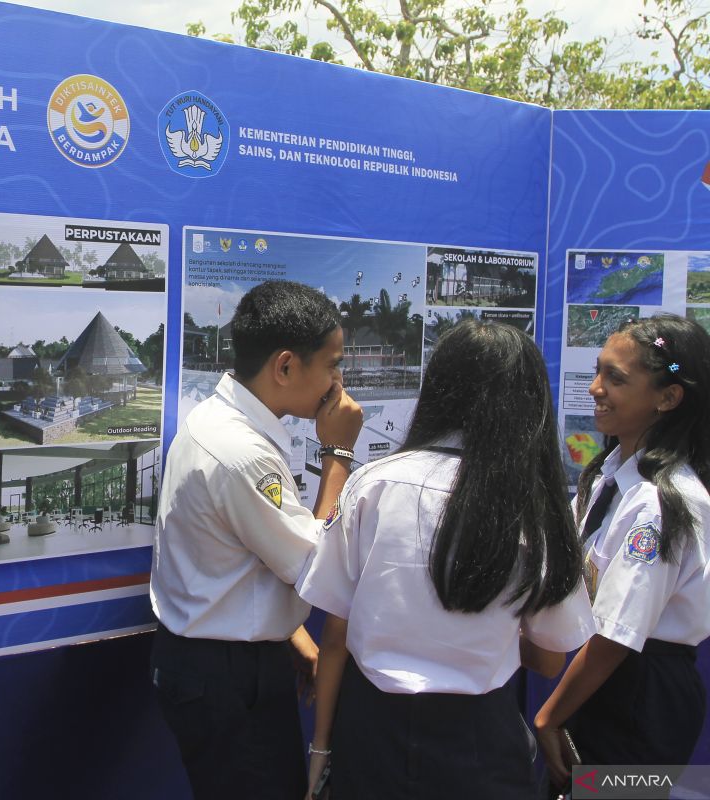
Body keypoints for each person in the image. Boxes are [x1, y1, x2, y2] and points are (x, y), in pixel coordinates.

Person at [301, 319, 595, 799]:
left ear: (438, 388)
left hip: (373, 731)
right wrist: (484, 633)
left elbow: (336, 635)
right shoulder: (532, 506)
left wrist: (320, 748)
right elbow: (549, 657)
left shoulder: (372, 484)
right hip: (480, 737)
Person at [149, 280, 364, 800]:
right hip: (226, 674)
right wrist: (338, 452)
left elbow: (237, 559)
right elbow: (315, 567)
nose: (339, 382)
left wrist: (291, 635)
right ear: (285, 366)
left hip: (219, 660)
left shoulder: (218, 420)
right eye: (332, 366)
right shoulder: (241, 452)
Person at [535, 314, 710, 787]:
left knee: (611, 794)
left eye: (615, 378)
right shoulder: (608, 476)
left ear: (667, 398)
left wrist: (549, 717)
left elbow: (617, 635)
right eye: (598, 371)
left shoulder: (662, 501)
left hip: (638, 694)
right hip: (600, 680)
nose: (595, 388)